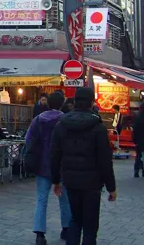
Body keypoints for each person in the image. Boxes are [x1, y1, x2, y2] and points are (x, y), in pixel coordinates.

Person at [50, 87, 116, 245]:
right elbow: (105, 159)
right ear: (92, 103)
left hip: (71, 180)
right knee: (90, 223)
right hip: (93, 182)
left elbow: (54, 154)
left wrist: (56, 180)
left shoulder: (62, 125)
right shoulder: (98, 127)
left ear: (74, 102)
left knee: (75, 219)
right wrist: (111, 187)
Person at [25, 91, 70, 244]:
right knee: (65, 198)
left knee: (41, 199)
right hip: (62, 164)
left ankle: (39, 234)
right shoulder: (66, 120)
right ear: (62, 104)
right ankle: (66, 228)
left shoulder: (38, 120)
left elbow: (28, 139)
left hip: (42, 164)